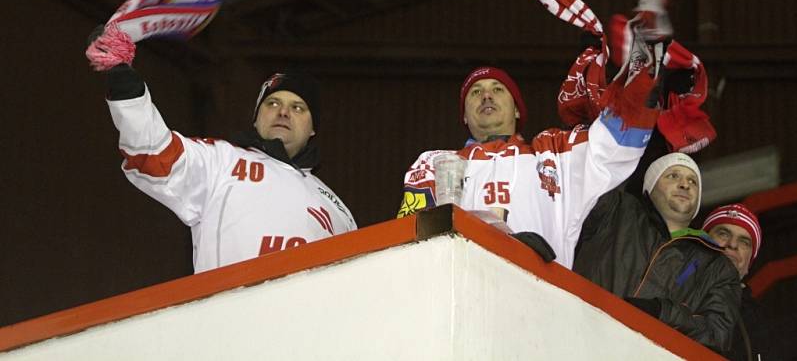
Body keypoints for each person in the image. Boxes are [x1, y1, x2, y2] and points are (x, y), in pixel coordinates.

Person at [95, 57, 357, 273]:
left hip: (310, 332)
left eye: (298, 107)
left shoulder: (338, 209)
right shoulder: (221, 160)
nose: (283, 112)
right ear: (256, 119)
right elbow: (153, 154)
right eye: (272, 103)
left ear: (313, 129)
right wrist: (127, 90)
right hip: (230, 323)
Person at [397, 61, 660, 269]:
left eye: (498, 90)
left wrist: (645, 76)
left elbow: (615, 144)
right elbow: (408, 236)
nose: (486, 96)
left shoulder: (555, 153)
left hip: (538, 304)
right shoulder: (436, 163)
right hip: (461, 293)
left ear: (517, 110)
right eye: (476, 92)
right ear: (464, 115)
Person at [573, 153, 741, 353]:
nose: (685, 185)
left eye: (693, 181)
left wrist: (661, 312)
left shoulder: (718, 267)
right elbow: (575, 182)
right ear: (650, 187)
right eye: (673, 176)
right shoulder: (616, 209)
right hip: (577, 339)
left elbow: (716, 334)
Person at [703, 203, 771, 361]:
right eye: (723, 234)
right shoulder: (672, 279)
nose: (732, 245)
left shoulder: (758, 321)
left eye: (744, 242)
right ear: (702, 241)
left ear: (749, 263)